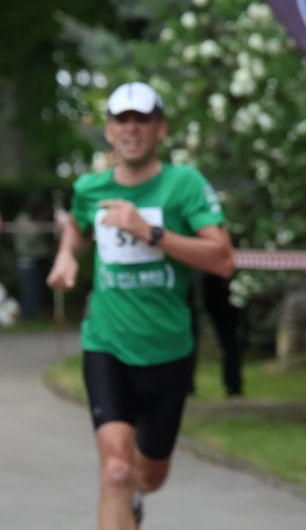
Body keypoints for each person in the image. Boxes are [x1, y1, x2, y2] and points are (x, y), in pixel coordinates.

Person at [47, 82, 234, 529]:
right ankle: (122, 493)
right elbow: (77, 224)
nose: (131, 128)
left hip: (168, 349)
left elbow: (223, 259)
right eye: (122, 120)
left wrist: (149, 232)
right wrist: (66, 255)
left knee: (149, 475)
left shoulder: (183, 184)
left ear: (160, 129)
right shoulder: (90, 188)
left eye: (142, 119)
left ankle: (134, 495)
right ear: (109, 131)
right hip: (106, 344)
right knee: (115, 469)